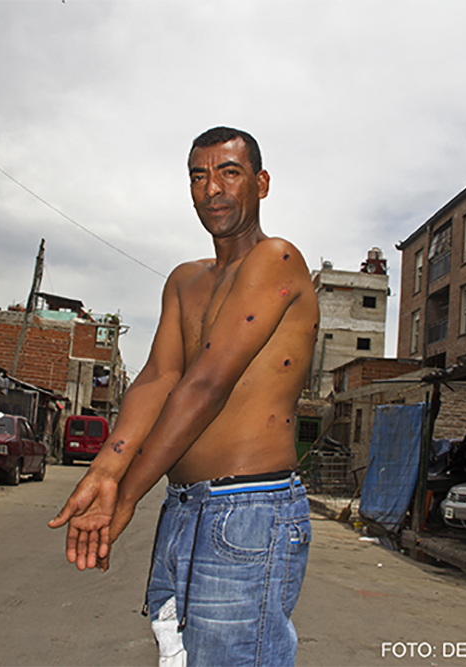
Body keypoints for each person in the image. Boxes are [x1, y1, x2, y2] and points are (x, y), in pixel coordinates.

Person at [49, 126, 319, 666]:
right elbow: (158, 378)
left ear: (261, 184)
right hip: (186, 508)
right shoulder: (183, 280)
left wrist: (126, 496)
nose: (212, 189)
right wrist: (105, 470)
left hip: (250, 509)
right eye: (199, 176)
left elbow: (206, 384)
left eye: (229, 173)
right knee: (179, 656)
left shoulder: (277, 260)